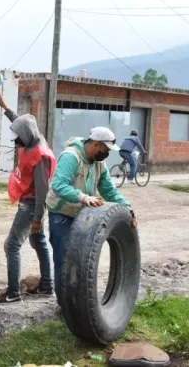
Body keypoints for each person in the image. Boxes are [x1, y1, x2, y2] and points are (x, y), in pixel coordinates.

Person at [45, 127, 138, 302]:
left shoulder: (98, 163)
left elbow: (109, 190)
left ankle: (76, 302)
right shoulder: (71, 157)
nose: (107, 154)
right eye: (105, 150)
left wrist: (127, 207)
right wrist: (83, 197)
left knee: (80, 260)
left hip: (82, 216)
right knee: (64, 260)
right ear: (96, 144)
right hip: (61, 214)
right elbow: (58, 185)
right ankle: (63, 304)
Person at [0, 91, 56, 304]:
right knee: (38, 241)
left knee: (12, 245)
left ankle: (13, 293)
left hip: (31, 206)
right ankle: (47, 286)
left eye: (18, 138)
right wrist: (5, 107)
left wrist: (37, 219)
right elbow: (22, 124)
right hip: (29, 203)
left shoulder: (40, 156)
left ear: (26, 136)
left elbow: (43, 192)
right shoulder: (31, 137)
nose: (16, 141)